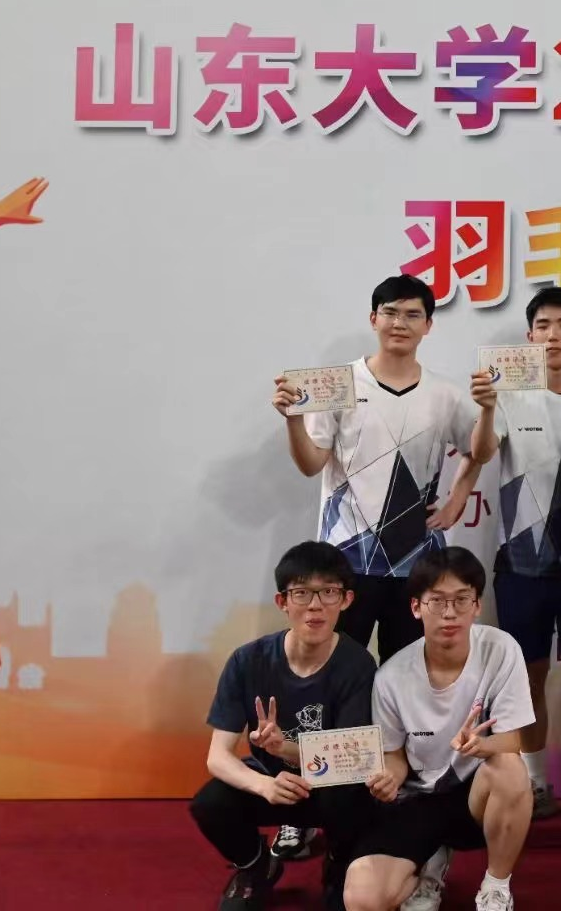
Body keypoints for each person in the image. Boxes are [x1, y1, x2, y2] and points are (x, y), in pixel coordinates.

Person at [273, 274, 483, 662]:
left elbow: (482, 446)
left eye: (412, 315)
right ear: (374, 319)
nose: (400, 323)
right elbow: (311, 464)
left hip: (415, 561)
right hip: (345, 560)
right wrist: (293, 420)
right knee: (338, 664)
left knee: (406, 670)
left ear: (428, 325)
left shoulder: (445, 394)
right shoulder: (339, 383)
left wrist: (457, 500)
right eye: (390, 313)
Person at [468, 286, 561, 844]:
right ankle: (535, 785)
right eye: (543, 326)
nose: (553, 335)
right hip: (520, 565)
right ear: (529, 336)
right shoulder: (507, 395)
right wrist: (485, 408)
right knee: (526, 681)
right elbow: (481, 454)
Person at [342, 547, 534, 911]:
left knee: (510, 768)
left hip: (476, 796)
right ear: (416, 607)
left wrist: (481, 745)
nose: (450, 613)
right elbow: (394, 756)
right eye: (438, 601)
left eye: (461, 600)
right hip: (419, 800)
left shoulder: (501, 650)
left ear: (477, 605)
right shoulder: (391, 676)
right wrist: (388, 778)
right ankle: (430, 867)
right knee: (362, 900)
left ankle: (495, 886)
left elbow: (512, 740)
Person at [191, 541, 377, 911]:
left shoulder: (358, 665)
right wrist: (264, 784)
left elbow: (351, 760)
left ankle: (339, 867)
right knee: (210, 803)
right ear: (283, 602)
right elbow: (217, 757)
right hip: (271, 782)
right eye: (302, 593)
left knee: (354, 797)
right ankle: (255, 866)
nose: (315, 605)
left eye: (328, 592)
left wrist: (284, 748)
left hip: (329, 789)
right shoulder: (248, 661)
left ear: (346, 600)